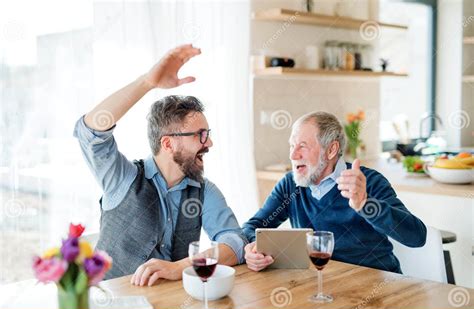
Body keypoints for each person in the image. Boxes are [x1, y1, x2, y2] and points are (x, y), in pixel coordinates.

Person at [73, 44, 247, 285]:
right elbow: (89, 131)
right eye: (201, 135)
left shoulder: (204, 191)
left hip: (169, 306)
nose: (210, 143)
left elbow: (235, 243)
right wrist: (147, 82)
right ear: (168, 143)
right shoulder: (122, 178)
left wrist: (181, 267)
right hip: (109, 305)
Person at [243, 111, 426, 273]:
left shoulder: (367, 182)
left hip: (375, 288)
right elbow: (254, 226)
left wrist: (365, 204)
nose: (293, 155)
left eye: (303, 146)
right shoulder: (290, 185)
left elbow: (417, 237)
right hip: (322, 285)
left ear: (331, 150)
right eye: (292, 146)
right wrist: (253, 247)